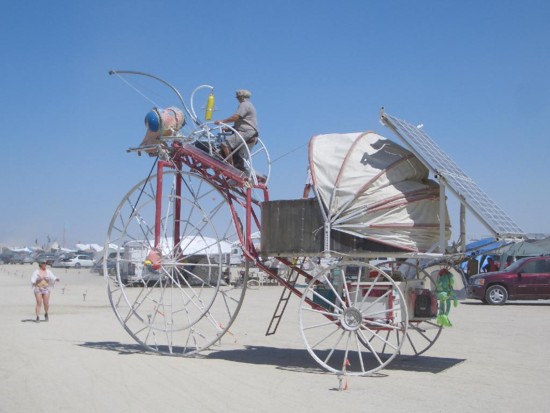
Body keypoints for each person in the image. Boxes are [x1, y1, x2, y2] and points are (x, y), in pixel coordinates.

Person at [215, 89, 259, 168]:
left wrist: (222, 121)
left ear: (241, 97)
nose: (237, 99)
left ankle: (230, 165)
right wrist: (228, 129)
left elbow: (236, 117)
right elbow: (243, 123)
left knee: (225, 144)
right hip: (249, 131)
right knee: (236, 150)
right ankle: (237, 164)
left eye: (238, 97)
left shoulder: (244, 105)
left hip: (246, 131)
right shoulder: (249, 105)